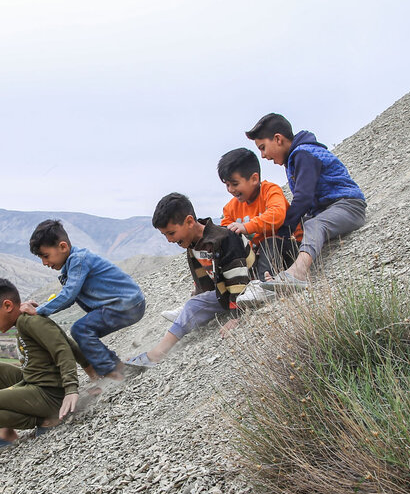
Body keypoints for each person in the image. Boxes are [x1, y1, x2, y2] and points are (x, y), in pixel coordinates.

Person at [126, 193, 254, 367]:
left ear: (189, 221)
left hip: (249, 289)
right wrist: (199, 294)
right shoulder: (193, 245)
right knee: (194, 304)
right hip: (224, 293)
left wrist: (236, 314)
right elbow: (203, 278)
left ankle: (157, 353)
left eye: (171, 233)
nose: (170, 240)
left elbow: (239, 279)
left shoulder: (224, 238)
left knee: (192, 306)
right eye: (165, 235)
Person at [20, 219, 146, 386]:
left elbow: (69, 295)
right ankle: (116, 366)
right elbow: (68, 294)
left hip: (127, 304)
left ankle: (113, 373)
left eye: (45, 256)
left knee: (81, 329)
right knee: (84, 331)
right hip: (127, 304)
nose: (44, 262)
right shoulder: (73, 263)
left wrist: (39, 311)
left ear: (63, 247)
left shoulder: (78, 260)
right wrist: (42, 307)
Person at [0, 277, 89, 453]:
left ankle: (46, 420)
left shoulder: (31, 321)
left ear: (8, 306)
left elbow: (63, 348)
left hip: (49, 395)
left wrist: (72, 388)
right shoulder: (22, 320)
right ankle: (6, 432)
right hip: (32, 383)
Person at [245, 113, 366, 284]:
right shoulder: (295, 157)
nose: (263, 155)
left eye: (263, 147)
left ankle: (298, 272)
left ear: (278, 139)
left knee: (312, 224)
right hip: (327, 211)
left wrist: (283, 231)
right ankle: (272, 276)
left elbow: (303, 198)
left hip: (349, 206)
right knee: (299, 227)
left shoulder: (304, 154)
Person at [217, 147, 293, 281]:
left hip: (287, 247)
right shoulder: (230, 208)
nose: (230, 190)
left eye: (235, 184)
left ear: (254, 179)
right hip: (258, 256)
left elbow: (277, 215)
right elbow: (226, 236)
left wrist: (246, 227)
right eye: (227, 185)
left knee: (269, 243)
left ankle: (264, 283)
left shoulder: (270, 191)